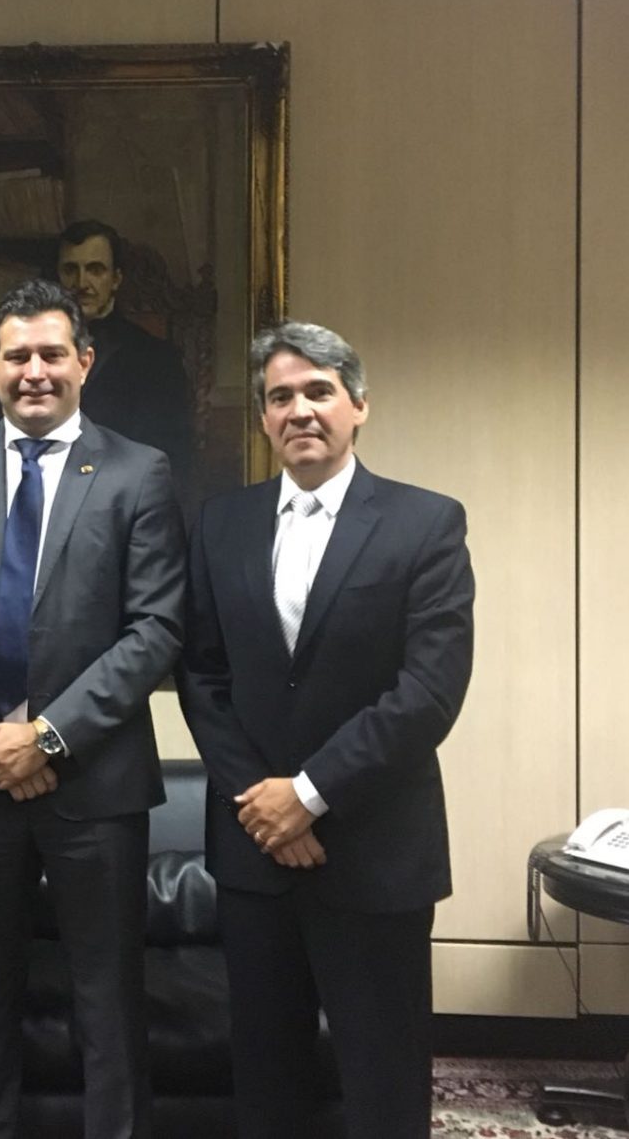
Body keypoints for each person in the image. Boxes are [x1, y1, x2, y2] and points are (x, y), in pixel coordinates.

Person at [0, 278, 186, 1139]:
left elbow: (156, 627)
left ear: (84, 362)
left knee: (109, 1004)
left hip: (95, 783)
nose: (35, 371)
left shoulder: (139, 471)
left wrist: (49, 738)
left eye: (52, 353)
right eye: (16, 355)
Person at [177, 321, 474, 1138]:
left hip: (374, 851)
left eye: (319, 391)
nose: (299, 410)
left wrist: (308, 795)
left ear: (359, 406)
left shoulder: (425, 523)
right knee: (266, 1081)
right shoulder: (221, 524)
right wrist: (263, 802)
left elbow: (429, 692)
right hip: (255, 854)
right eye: (280, 397)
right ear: (263, 418)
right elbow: (202, 677)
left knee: (383, 1084)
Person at [56, 220, 193, 494]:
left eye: (95, 270)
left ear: (116, 279)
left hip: (122, 499)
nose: (81, 283)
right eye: (71, 270)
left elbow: (166, 458)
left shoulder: (157, 359)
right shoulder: (33, 353)